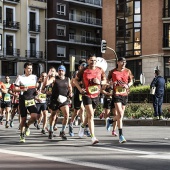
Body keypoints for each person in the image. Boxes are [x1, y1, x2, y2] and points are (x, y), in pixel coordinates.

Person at [73, 54, 106, 145]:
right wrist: (80, 89)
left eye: (95, 60)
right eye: (91, 60)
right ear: (88, 61)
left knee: (89, 115)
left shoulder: (100, 70)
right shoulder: (83, 70)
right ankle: (93, 137)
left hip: (96, 95)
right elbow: (75, 81)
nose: (93, 62)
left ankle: (83, 125)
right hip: (86, 94)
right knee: (91, 115)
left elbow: (105, 81)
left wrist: (99, 82)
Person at [107, 57, 133, 143]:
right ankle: (121, 135)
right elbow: (107, 82)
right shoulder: (113, 72)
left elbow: (131, 81)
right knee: (120, 114)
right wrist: (111, 84)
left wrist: (128, 85)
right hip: (116, 94)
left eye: (125, 62)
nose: (124, 63)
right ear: (118, 62)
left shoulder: (128, 71)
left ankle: (111, 120)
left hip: (125, 94)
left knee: (121, 115)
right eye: (122, 61)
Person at [47, 65, 73, 140]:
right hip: (55, 99)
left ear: (64, 72)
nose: (61, 72)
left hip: (64, 99)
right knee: (53, 115)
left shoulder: (67, 79)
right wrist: (48, 76)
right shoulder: (54, 78)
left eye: (62, 70)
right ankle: (51, 130)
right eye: (59, 70)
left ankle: (62, 131)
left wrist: (70, 93)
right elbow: (47, 83)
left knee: (67, 115)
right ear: (58, 71)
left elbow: (70, 88)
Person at [14, 62, 38, 143]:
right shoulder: (20, 77)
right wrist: (21, 89)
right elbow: (14, 89)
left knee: (35, 117)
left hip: (31, 100)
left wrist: (36, 92)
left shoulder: (34, 77)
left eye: (31, 68)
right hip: (23, 100)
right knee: (23, 119)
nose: (30, 70)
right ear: (25, 69)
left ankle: (27, 126)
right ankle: (22, 134)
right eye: (28, 68)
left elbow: (35, 88)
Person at [69, 59, 90, 137]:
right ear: (79, 67)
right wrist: (80, 83)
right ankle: (71, 124)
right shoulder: (76, 74)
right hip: (78, 94)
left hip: (85, 94)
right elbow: (72, 84)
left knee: (83, 110)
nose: (84, 66)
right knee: (76, 112)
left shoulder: (87, 73)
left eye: (85, 65)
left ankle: (85, 128)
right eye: (82, 65)